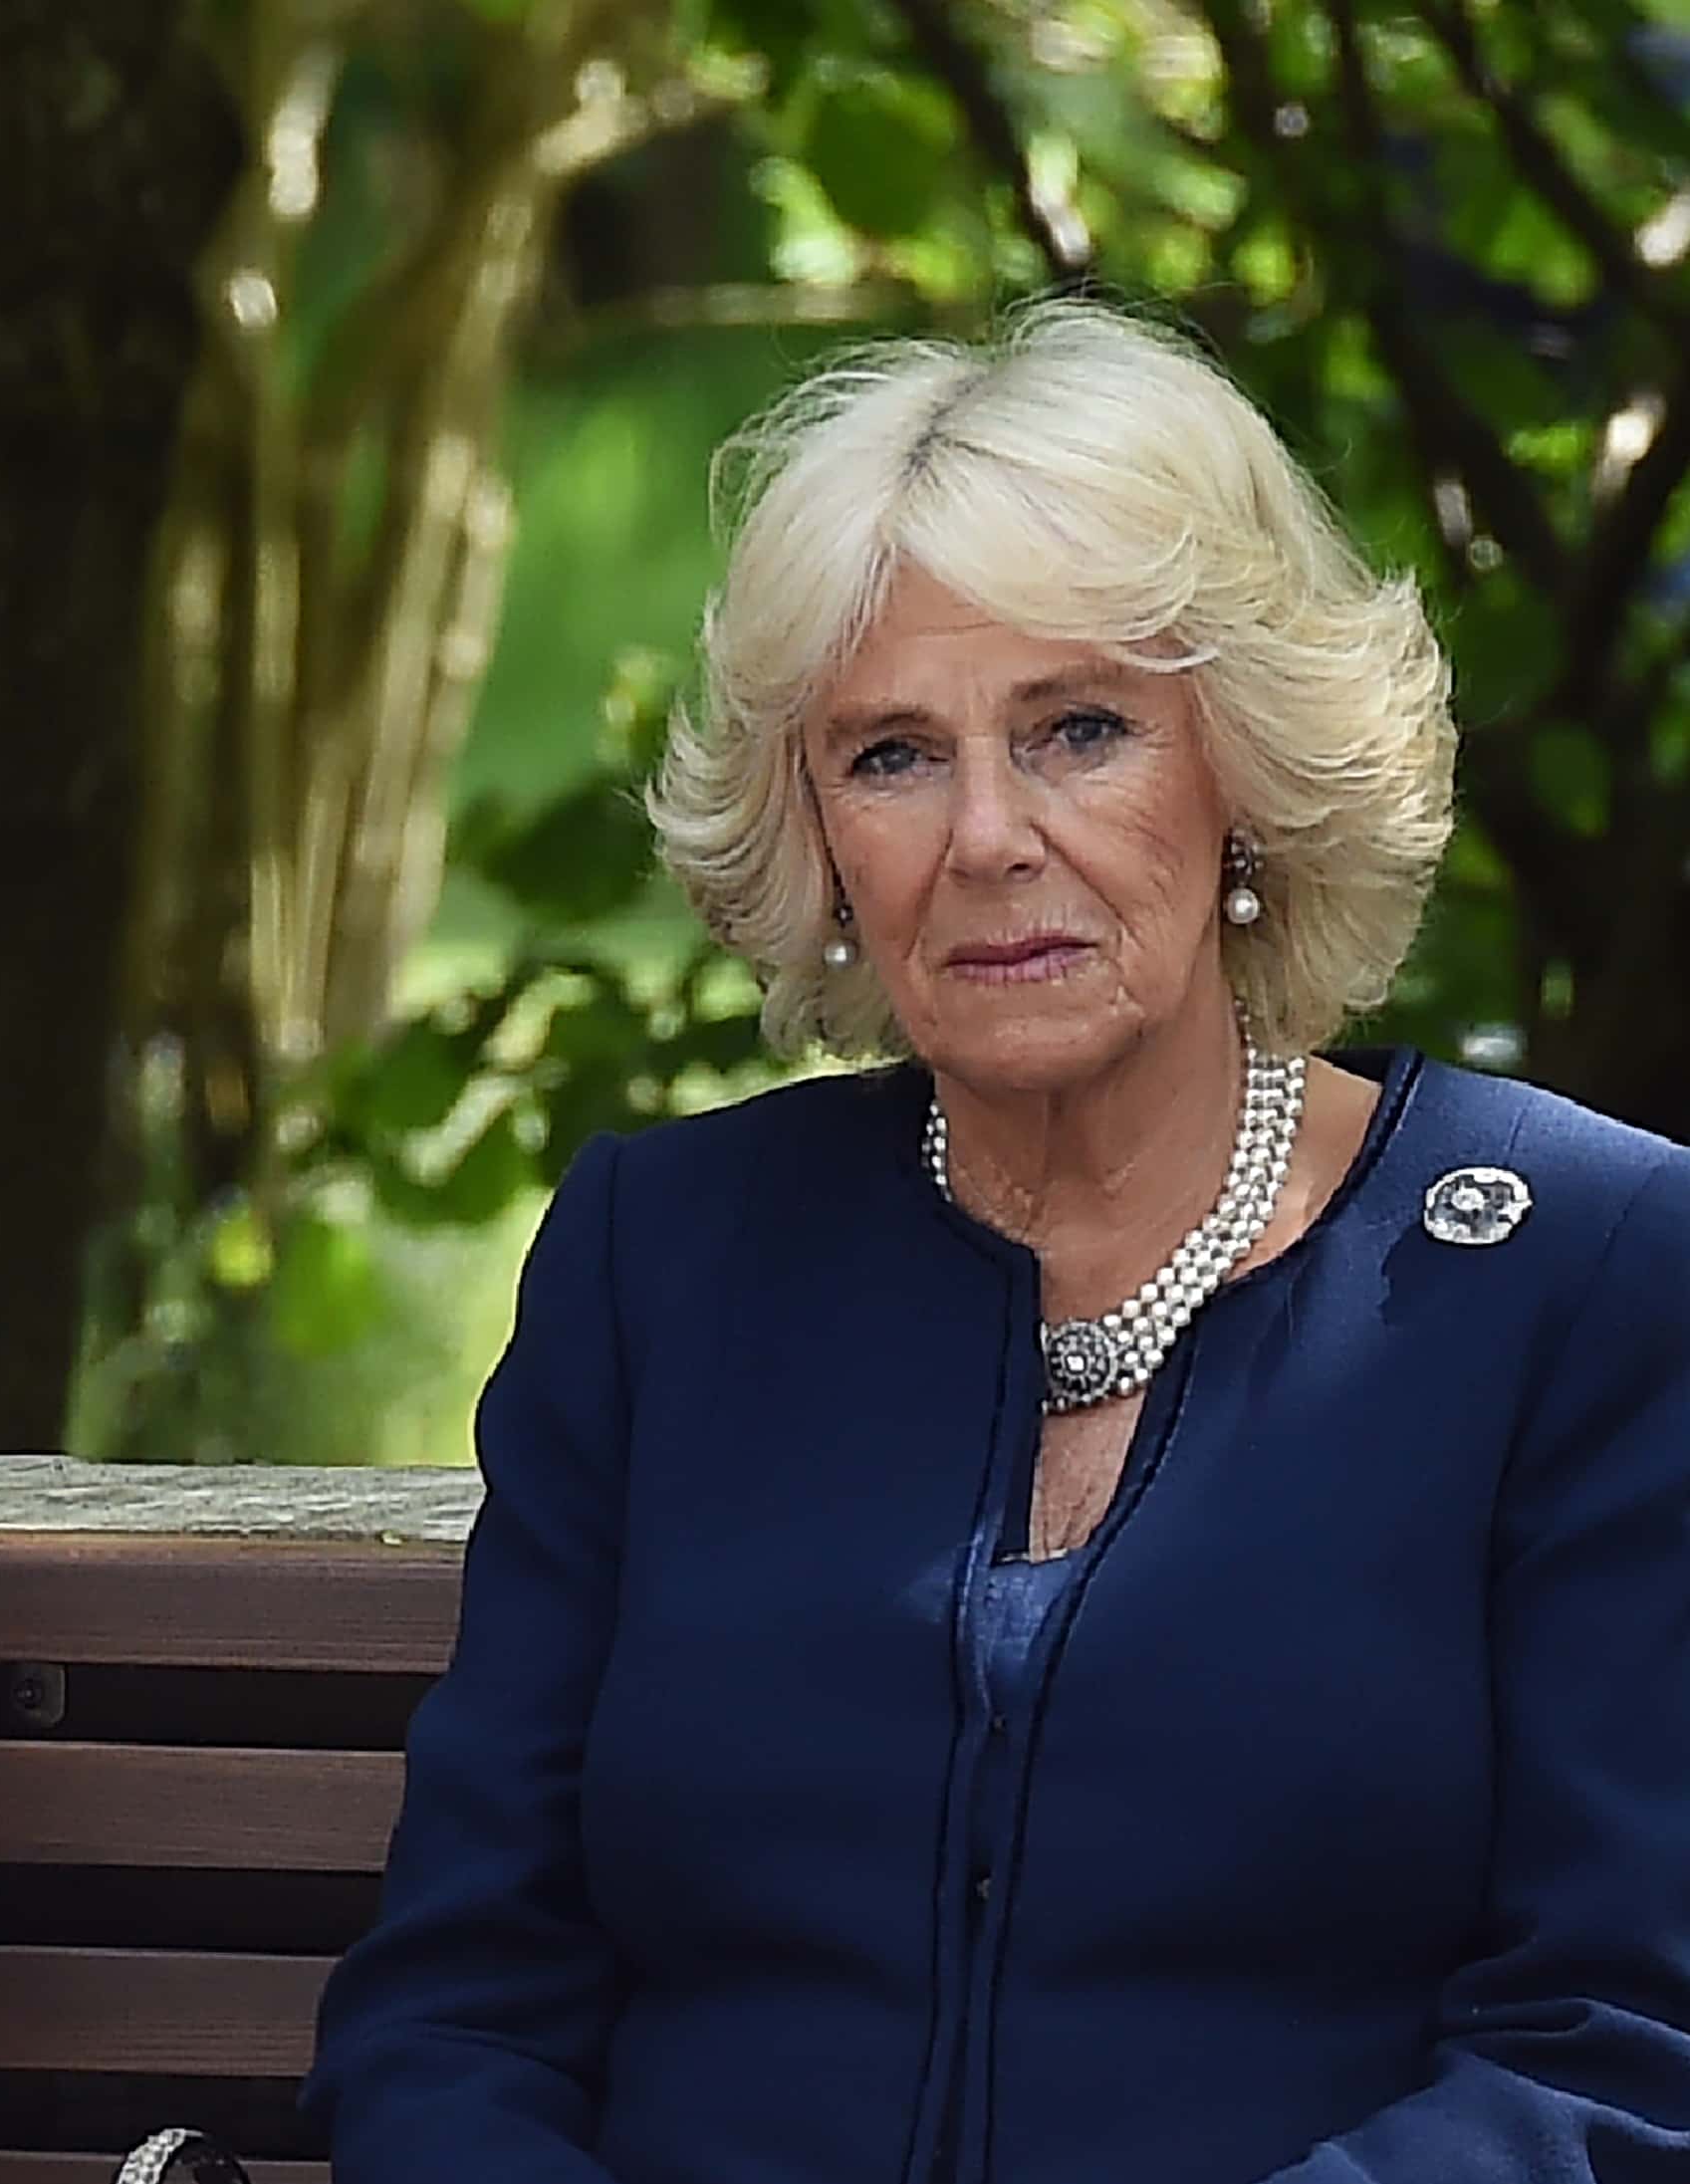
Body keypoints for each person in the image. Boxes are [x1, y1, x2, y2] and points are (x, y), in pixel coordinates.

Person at [305, 297, 1690, 2181]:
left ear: (1246, 777)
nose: (986, 835)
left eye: (1081, 729)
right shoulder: (667, 1261)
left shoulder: (1577, 1274)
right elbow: (460, 2006)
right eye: (890, 754)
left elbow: (1615, 2048)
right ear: (817, 834)